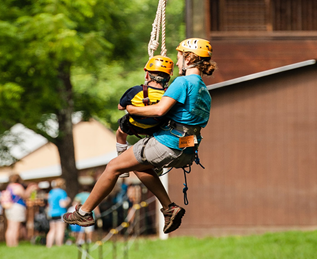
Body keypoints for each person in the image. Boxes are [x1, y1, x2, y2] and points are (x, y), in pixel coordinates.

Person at [64, 38, 215, 234]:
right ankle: (169, 208)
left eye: (179, 57)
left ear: (189, 57)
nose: (177, 62)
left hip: (168, 144)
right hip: (188, 149)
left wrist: (132, 109)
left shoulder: (182, 81)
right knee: (139, 167)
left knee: (113, 167)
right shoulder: (204, 90)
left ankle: (83, 212)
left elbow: (159, 111)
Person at [115, 55, 175, 177]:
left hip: (134, 125)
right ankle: (157, 165)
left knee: (120, 132)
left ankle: (121, 155)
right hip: (155, 128)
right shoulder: (169, 94)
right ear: (168, 77)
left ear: (147, 75)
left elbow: (120, 107)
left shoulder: (136, 91)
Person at [3, 174, 27, 247]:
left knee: (10, 227)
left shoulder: (9, 187)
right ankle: (14, 244)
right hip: (17, 207)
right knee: (15, 227)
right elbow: (25, 196)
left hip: (9, 207)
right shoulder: (18, 186)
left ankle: (9, 244)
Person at [46, 179, 70, 248]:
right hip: (60, 212)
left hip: (52, 213)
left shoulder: (51, 192)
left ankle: (49, 245)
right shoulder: (62, 192)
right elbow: (63, 204)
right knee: (60, 230)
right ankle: (59, 245)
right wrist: (68, 201)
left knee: (52, 230)